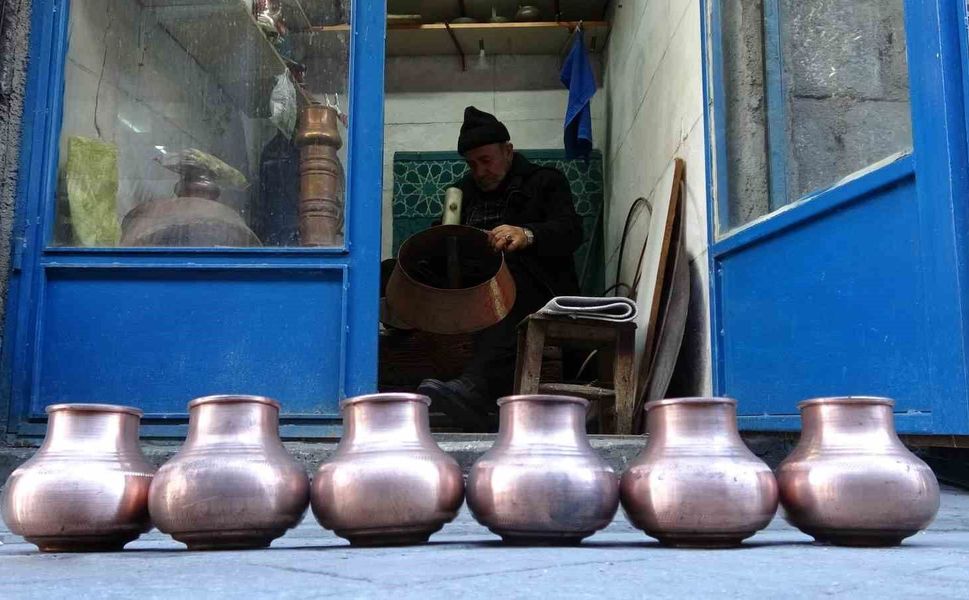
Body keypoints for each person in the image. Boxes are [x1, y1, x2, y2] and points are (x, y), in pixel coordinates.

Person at [417, 107, 584, 430]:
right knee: (402, 270)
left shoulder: (545, 181)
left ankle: (475, 388)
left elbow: (572, 231)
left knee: (508, 274)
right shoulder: (463, 192)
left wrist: (527, 234)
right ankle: (414, 392)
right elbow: (440, 239)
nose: (479, 171)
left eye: (486, 160)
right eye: (472, 164)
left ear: (508, 152)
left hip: (538, 288)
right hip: (476, 291)